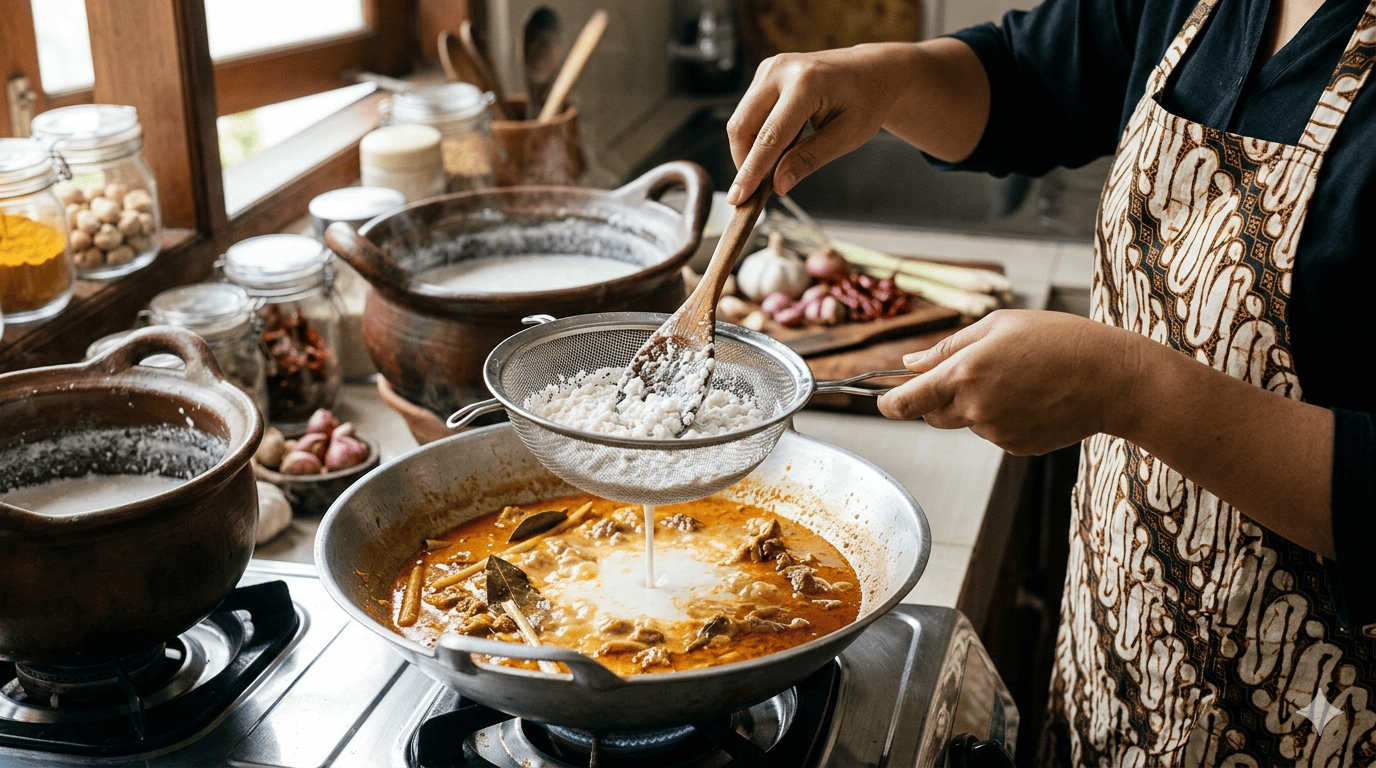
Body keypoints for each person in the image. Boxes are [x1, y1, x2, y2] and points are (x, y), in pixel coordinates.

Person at [724, 0, 1376, 765]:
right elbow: (1026, 80)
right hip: (1123, 642)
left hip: (1324, 716)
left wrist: (1129, 390)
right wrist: (883, 78)